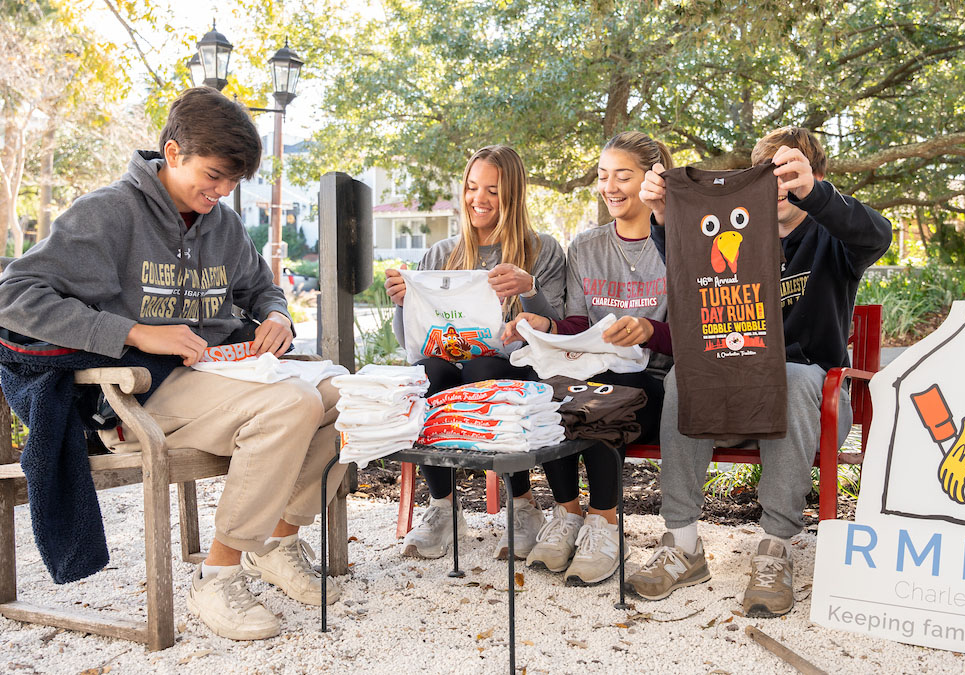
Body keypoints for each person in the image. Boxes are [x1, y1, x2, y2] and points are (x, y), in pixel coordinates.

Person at [0, 87, 347, 640]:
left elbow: (262, 289)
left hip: (217, 376)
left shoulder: (224, 225)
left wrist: (277, 315)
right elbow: (14, 295)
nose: (222, 191)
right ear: (173, 152)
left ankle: (277, 545)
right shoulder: (108, 214)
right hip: (136, 392)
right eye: (213, 175)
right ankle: (219, 575)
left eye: (233, 181)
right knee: (292, 403)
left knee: (344, 396)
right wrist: (135, 332)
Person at [625, 126, 891, 616]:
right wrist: (662, 214)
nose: (779, 185)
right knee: (685, 377)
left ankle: (775, 549)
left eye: (790, 174)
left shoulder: (834, 238)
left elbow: (877, 232)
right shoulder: (735, 231)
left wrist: (816, 195)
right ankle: (682, 544)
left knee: (790, 379)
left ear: (815, 177)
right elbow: (684, 259)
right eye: (768, 174)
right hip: (733, 393)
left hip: (809, 394)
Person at [499, 131, 673, 585]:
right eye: (602, 176)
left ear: (654, 179)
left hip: (653, 381)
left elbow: (699, 334)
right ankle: (568, 514)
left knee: (605, 391)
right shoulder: (586, 246)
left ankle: (606, 522)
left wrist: (651, 330)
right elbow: (577, 324)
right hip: (591, 372)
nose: (610, 187)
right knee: (546, 385)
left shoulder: (680, 245)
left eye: (623, 176)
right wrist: (549, 327)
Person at [386, 145, 567, 561]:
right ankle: (442, 508)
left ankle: (521, 506)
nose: (478, 199)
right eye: (471, 187)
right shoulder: (440, 254)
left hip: (519, 372)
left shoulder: (543, 250)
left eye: (492, 190)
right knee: (428, 371)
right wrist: (401, 303)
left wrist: (531, 290)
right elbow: (410, 343)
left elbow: (557, 329)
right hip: (449, 369)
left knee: (485, 365)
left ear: (514, 196)